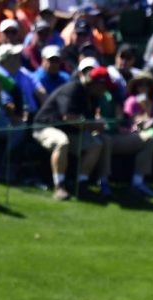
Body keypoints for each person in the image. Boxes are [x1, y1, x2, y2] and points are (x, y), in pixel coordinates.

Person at [32, 60, 109, 200]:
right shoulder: (73, 88)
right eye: (102, 85)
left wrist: (97, 126)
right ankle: (59, 186)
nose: (104, 89)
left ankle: (81, 184)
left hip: (70, 131)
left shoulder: (93, 96)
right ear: (94, 83)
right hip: (44, 127)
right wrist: (93, 126)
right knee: (62, 142)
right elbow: (69, 117)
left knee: (96, 144)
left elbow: (83, 121)